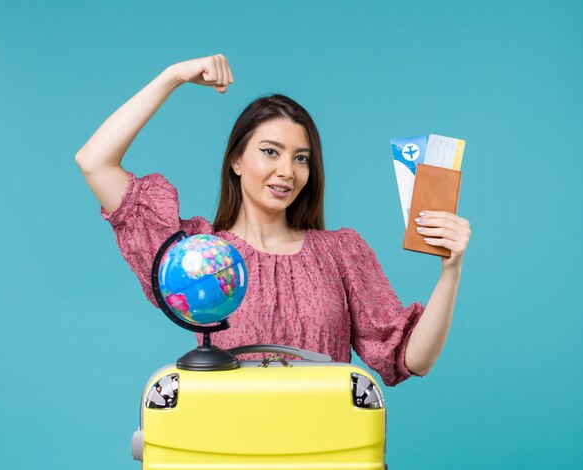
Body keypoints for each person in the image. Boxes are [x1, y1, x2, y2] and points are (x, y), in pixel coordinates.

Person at [75, 54, 471, 387]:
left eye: (301, 158)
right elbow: (95, 162)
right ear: (236, 161)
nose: (287, 170)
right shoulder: (195, 257)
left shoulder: (340, 252)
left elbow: (410, 357)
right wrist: (173, 76)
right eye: (270, 152)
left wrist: (450, 270)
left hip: (324, 454)